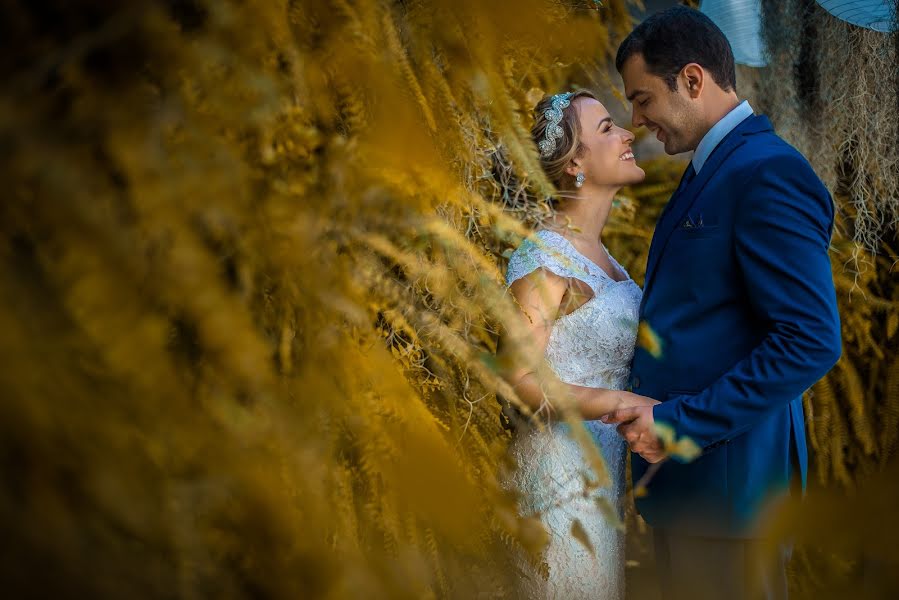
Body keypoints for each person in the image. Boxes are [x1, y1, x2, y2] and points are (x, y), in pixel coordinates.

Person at [602, 6, 842, 599]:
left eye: (642, 99)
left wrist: (679, 426)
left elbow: (810, 339)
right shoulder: (713, 170)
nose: (635, 121)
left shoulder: (767, 173)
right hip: (694, 494)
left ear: (691, 79)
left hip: (731, 496)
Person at [498, 89, 657, 599]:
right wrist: (620, 402)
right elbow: (519, 379)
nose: (628, 133)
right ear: (575, 164)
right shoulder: (546, 256)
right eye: (608, 127)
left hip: (600, 476)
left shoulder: (602, 256)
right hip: (556, 478)